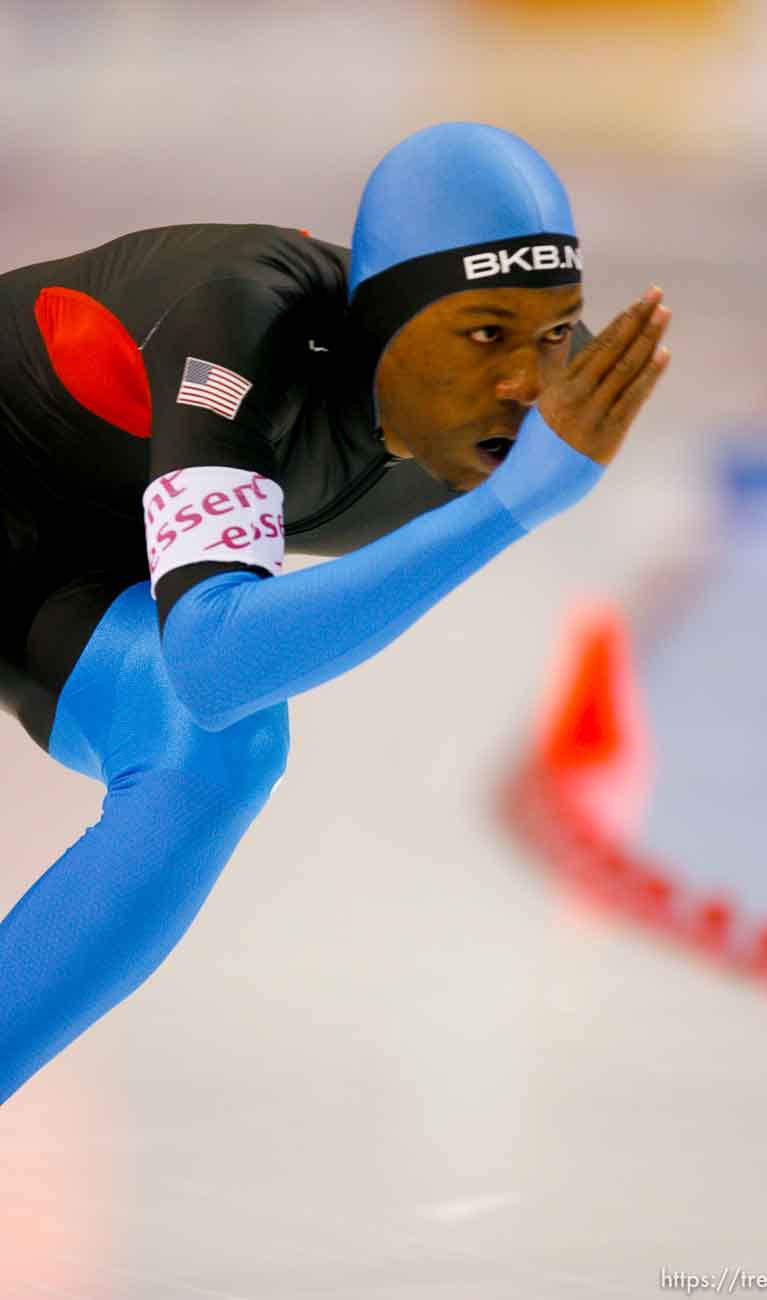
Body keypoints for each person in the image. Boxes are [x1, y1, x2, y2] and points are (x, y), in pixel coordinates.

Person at [0, 122, 670, 1105]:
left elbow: (211, 700)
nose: (529, 384)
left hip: (72, 560)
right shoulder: (238, 324)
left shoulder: (519, 408)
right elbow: (214, 660)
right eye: (485, 332)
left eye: (556, 332)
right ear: (377, 327)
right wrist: (513, 504)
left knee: (210, 756)